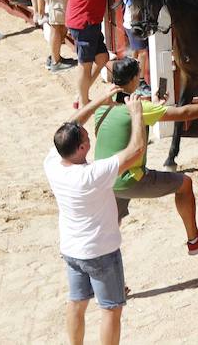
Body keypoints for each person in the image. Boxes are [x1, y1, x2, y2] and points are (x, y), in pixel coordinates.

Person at [44, 90, 146, 345]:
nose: (89, 135)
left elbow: (74, 122)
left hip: (71, 249)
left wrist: (105, 98)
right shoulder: (93, 175)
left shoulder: (53, 163)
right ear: (81, 148)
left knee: (77, 302)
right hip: (100, 252)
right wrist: (136, 114)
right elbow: (136, 149)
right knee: (111, 309)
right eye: (86, 138)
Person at [97, 58, 198, 254]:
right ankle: (194, 239)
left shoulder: (103, 105)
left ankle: (103, 260)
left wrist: (155, 105)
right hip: (130, 178)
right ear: (133, 79)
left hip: (105, 178)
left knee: (112, 225)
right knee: (184, 184)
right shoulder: (140, 108)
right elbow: (185, 112)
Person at [67, 0, 134, 108]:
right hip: (84, 21)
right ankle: (82, 101)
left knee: (103, 57)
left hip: (87, 20)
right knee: (85, 64)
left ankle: (81, 92)